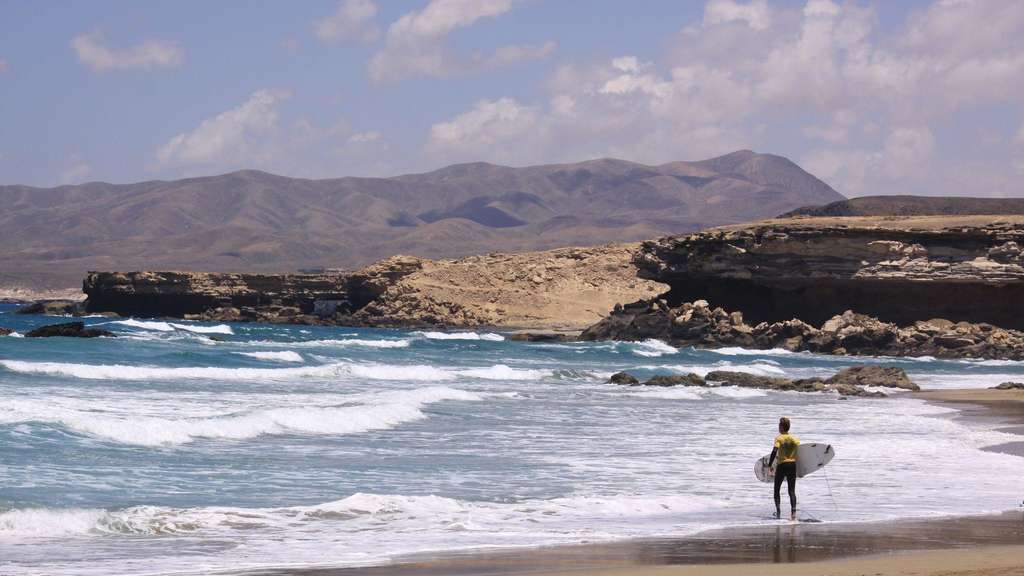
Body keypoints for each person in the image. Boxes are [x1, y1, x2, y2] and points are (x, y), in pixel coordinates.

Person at [769, 416, 799, 520]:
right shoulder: (795, 439)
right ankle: (793, 513)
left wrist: (770, 464)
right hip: (792, 465)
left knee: (777, 490)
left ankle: (778, 512)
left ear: (782, 427)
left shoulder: (779, 438)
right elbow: (800, 451)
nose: (778, 427)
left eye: (779, 425)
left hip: (782, 465)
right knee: (792, 491)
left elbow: (774, 451)